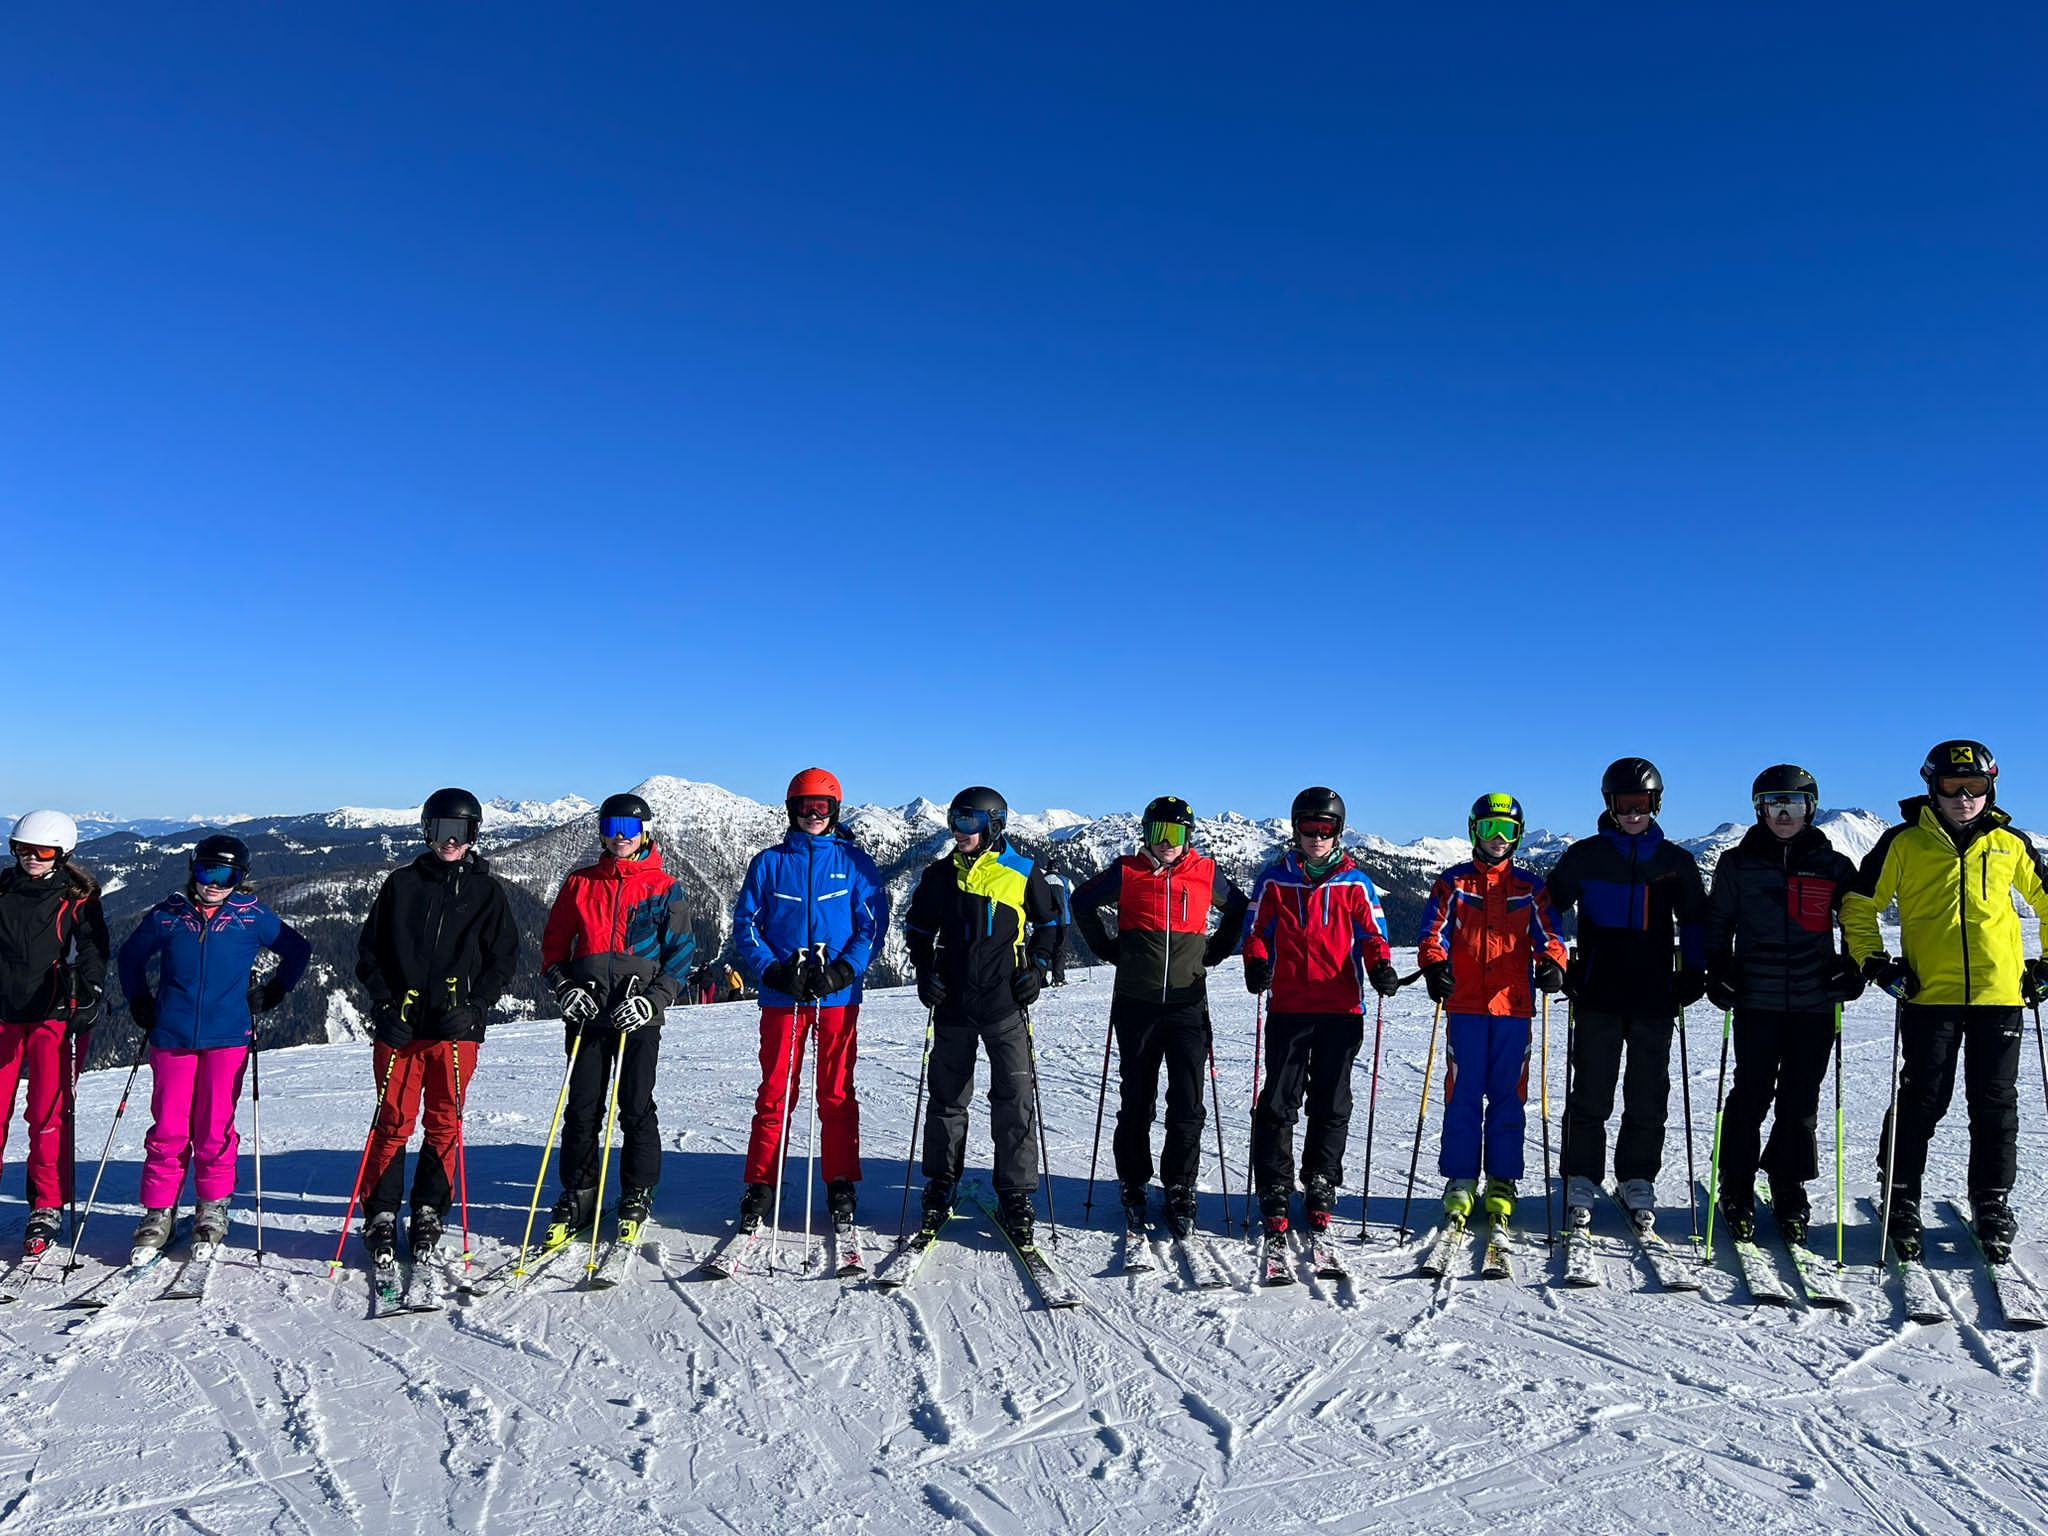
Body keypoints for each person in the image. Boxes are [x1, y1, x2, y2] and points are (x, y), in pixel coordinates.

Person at [1841, 740, 2048, 1262]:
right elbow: (1860, 905)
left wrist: (2046, 967)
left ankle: (1991, 1200)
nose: (1963, 798)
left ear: (1990, 788)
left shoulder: (2009, 844)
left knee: (1995, 1103)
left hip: (2000, 995)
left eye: (1974, 787)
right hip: (1928, 994)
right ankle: (1902, 1193)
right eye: (1951, 788)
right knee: (1923, 1098)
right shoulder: (1903, 843)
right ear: (1931, 788)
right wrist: (1875, 961)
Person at [117, 834, 310, 1253]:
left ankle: (212, 1204)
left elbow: (297, 950)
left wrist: (276, 990)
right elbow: (129, 958)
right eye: (208, 872)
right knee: (169, 1125)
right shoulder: (169, 914)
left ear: (241, 879)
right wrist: (138, 1000)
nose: (215, 883)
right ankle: (159, 1208)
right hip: (171, 1036)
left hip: (227, 1038)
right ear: (194, 869)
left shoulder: (250, 915)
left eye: (228, 876)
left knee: (215, 1126)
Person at [1069, 795, 1249, 1236]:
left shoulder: (1206, 873)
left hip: (1188, 1004)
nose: (1167, 842)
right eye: (1158, 833)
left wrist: (1218, 950)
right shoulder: (1128, 871)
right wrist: (1108, 949)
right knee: (1137, 1099)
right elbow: (1081, 901)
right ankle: (1133, 1181)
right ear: (1145, 834)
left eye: (1176, 834)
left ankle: (1180, 1185)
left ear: (1189, 837)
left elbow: (1240, 909)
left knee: (1187, 1102)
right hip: (1137, 1003)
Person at [354, 787, 521, 1259]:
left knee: (445, 1121)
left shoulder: (486, 891)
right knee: (393, 1122)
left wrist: (477, 1007)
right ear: (427, 831)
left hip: (455, 1029)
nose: (450, 842)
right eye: (442, 831)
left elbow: (503, 957)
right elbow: (370, 952)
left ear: (473, 835)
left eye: (461, 832)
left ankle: (429, 1209)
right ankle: (382, 1212)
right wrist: (385, 1006)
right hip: (401, 1028)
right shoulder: (402, 884)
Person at [1545, 757, 1709, 1230]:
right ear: (1610, 806)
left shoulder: (1674, 861)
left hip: (1655, 993)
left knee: (1647, 1093)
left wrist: (1694, 971)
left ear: (1655, 804)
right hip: (1597, 990)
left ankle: (1637, 1176)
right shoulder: (1587, 855)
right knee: (1591, 1090)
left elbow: (1695, 920)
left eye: (1640, 803)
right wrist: (1557, 960)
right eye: (1624, 804)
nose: (1633, 812)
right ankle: (1581, 1175)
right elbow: (1548, 908)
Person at [1703, 766, 1864, 1243]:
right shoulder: (1738, 863)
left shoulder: (1833, 865)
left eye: (1794, 804)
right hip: (1757, 999)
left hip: (1815, 1002)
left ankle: (1787, 1182)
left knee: (1800, 1102)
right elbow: (1719, 924)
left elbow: (1857, 920)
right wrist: (1718, 968)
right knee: (1750, 1095)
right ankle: (1736, 1183)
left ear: (1811, 809)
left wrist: (1852, 967)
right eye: (1775, 803)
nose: (1784, 813)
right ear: (1760, 809)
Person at [904, 786, 1063, 1245]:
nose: (959, 830)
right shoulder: (939, 875)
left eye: (969, 821)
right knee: (947, 1099)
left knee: (1014, 1099)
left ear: (994, 825)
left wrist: (1035, 967)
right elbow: (917, 928)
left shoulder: (1021, 872)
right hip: (952, 1004)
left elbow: (1050, 924)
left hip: (1003, 1005)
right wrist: (925, 970)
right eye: (955, 820)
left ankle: (1015, 1192)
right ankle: (940, 1182)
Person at [730, 768, 887, 1234]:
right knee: (776, 1090)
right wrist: (773, 970)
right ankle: (761, 1182)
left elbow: (871, 926)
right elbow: (746, 925)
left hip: (837, 996)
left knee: (836, 1091)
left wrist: (843, 970)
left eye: (821, 808)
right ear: (790, 810)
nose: (812, 815)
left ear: (835, 811)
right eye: (804, 807)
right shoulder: (769, 863)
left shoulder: (855, 863)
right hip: (783, 996)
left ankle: (840, 1180)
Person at [1242, 787, 1401, 1240]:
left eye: (1325, 829)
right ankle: (1274, 1184)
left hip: (1341, 1008)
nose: (1316, 837)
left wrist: (1381, 967)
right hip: (1289, 1006)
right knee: (1278, 1101)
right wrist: (1256, 961)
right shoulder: (1275, 880)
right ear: (1295, 831)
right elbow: (1256, 931)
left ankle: (1321, 1179)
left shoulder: (1356, 884)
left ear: (1338, 832)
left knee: (1331, 1101)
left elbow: (1373, 935)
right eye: (1309, 828)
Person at [540, 792, 694, 1246]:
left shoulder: (665, 887)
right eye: (611, 829)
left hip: (638, 1014)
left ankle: (636, 1192)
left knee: (635, 1106)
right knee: (583, 1109)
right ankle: (580, 1193)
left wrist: (653, 1001)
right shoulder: (580, 883)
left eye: (628, 830)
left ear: (645, 831)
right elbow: (553, 947)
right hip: (588, 1012)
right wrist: (564, 986)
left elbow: (681, 956)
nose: (620, 839)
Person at [1415, 794, 1570, 1225]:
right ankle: (1461, 1179)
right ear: (1474, 831)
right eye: (1489, 830)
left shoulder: (1529, 888)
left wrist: (1554, 964)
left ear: (1518, 836)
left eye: (1506, 831)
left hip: (1513, 1009)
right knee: (1462, 1094)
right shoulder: (1454, 883)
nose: (1497, 839)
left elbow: (1551, 936)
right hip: (1464, 1006)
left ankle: (1503, 1179)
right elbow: (1433, 932)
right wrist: (1434, 965)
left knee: (1507, 1097)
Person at [0, 811, 110, 1254]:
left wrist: (88, 991)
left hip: (53, 1013)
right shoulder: (2, 890)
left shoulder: (76, 897)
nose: (31, 858)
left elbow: (95, 949)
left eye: (41, 851)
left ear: (61, 855)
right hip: (4, 1011)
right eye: (22, 849)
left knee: (48, 1113)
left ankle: (46, 1203)